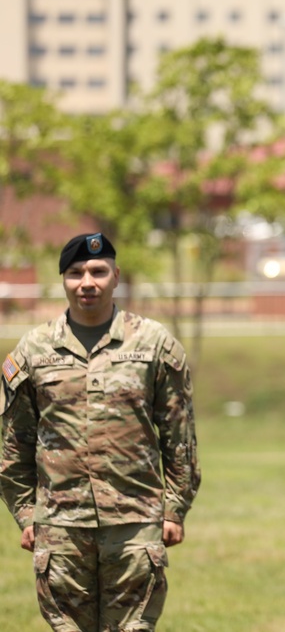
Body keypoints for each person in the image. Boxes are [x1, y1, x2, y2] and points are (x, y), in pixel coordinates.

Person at [0, 233, 200, 631]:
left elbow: (179, 437)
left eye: (97, 271)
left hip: (136, 523)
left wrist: (175, 509)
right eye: (75, 273)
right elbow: (13, 444)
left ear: (116, 276)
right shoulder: (33, 350)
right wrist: (26, 515)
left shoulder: (154, 344)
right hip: (60, 527)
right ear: (63, 280)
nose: (87, 282)